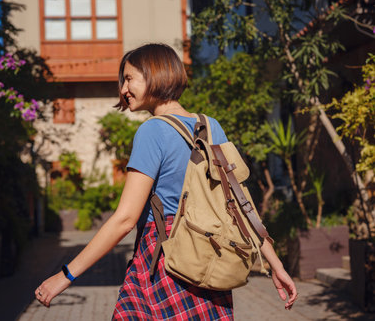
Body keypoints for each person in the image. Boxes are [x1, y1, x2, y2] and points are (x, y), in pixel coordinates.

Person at [35, 43, 298, 319]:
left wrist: (66, 275)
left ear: (155, 74)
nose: (123, 89)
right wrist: (275, 265)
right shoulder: (212, 126)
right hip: (208, 258)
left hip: (166, 261)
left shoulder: (152, 131)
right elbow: (241, 206)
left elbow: (125, 219)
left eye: (129, 78)